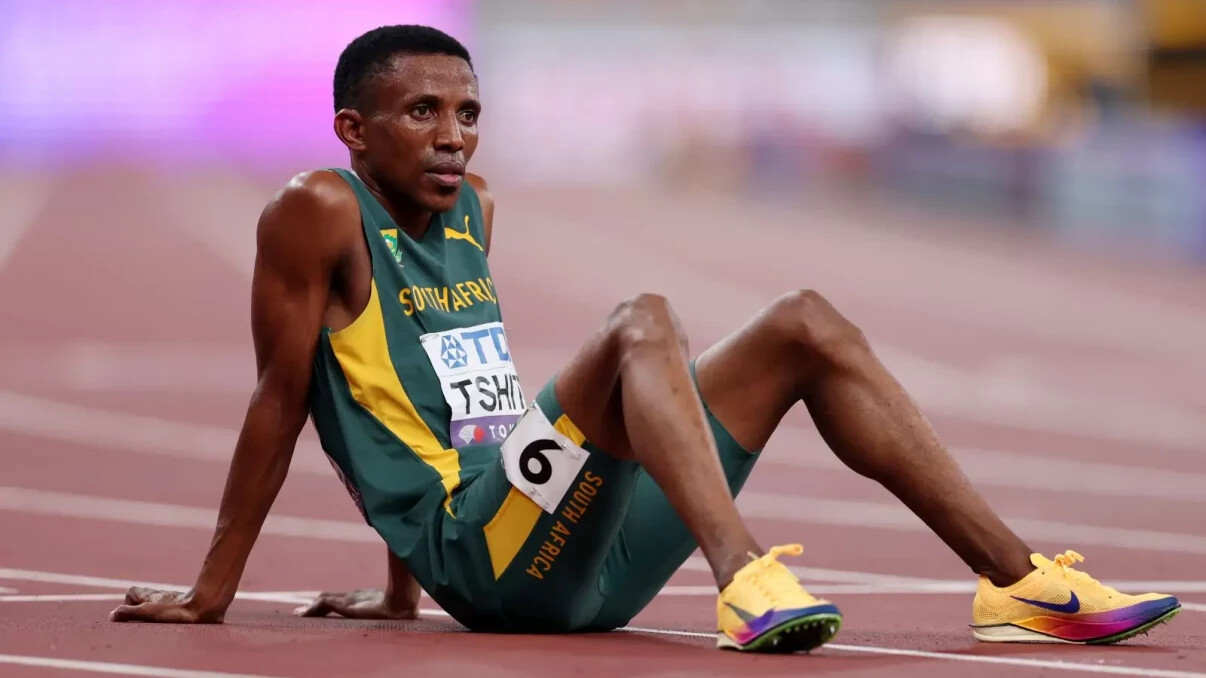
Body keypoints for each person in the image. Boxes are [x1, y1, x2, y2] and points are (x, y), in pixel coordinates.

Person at [108, 25, 1181, 651]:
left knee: (804, 321)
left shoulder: (475, 208)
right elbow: (285, 397)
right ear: (351, 129)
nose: (452, 137)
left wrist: (394, 595)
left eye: (467, 113)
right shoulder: (318, 209)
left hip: (573, 547)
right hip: (487, 564)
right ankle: (742, 574)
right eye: (421, 112)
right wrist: (214, 592)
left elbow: (446, 396)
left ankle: (1019, 583)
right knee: (643, 320)